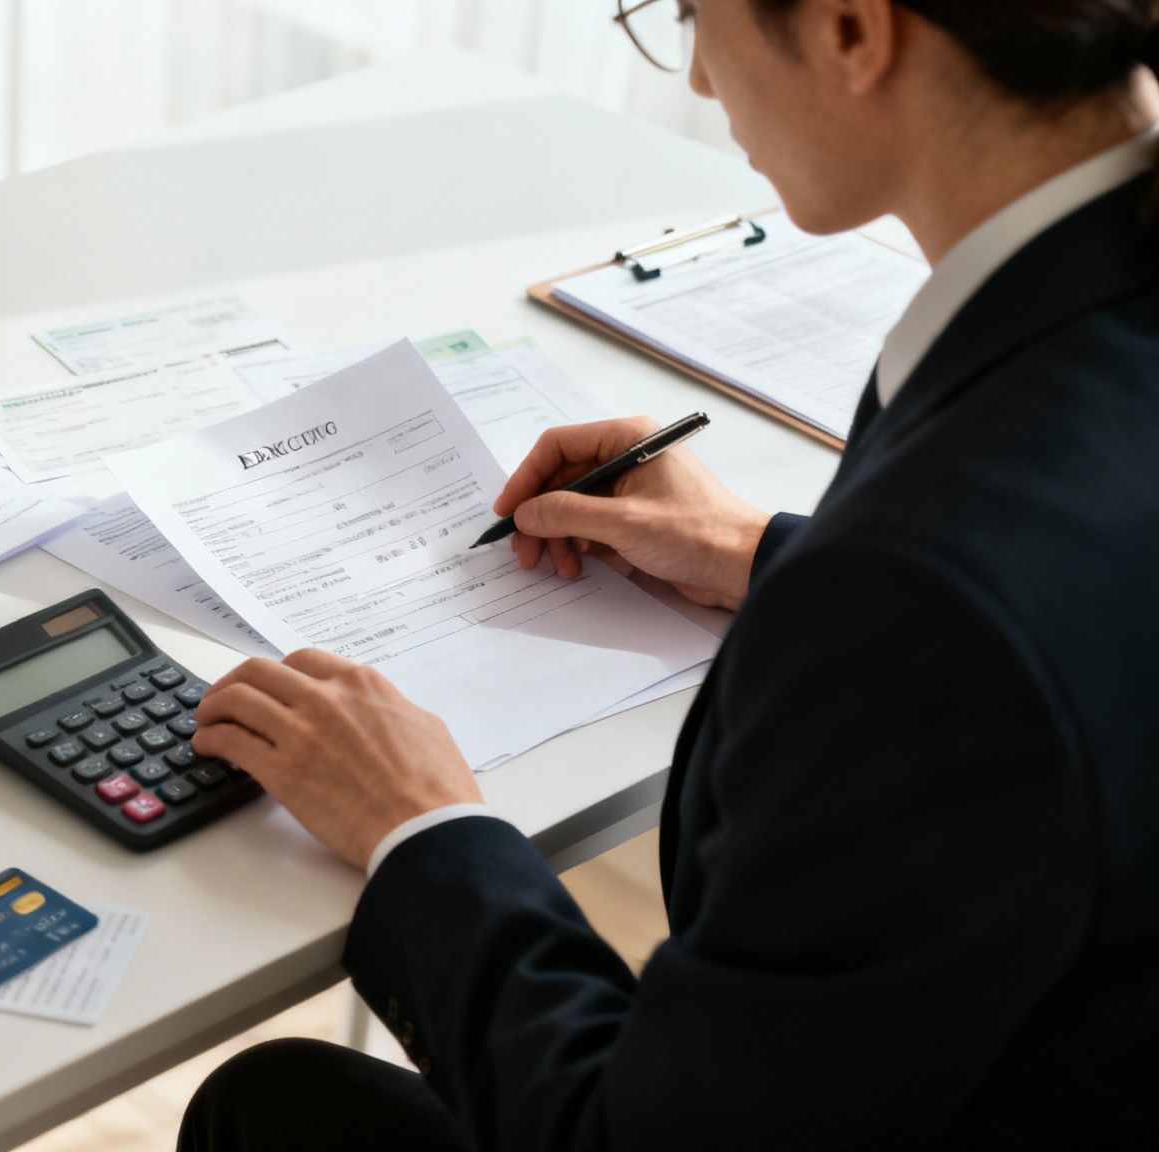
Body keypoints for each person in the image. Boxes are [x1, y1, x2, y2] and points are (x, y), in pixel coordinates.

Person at [177, 1, 1159, 1148]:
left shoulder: (923, 595)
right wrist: (762, 555)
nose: (694, 78)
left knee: (275, 1112)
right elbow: (1078, 613)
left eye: (691, 11)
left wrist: (419, 827)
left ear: (851, 27)